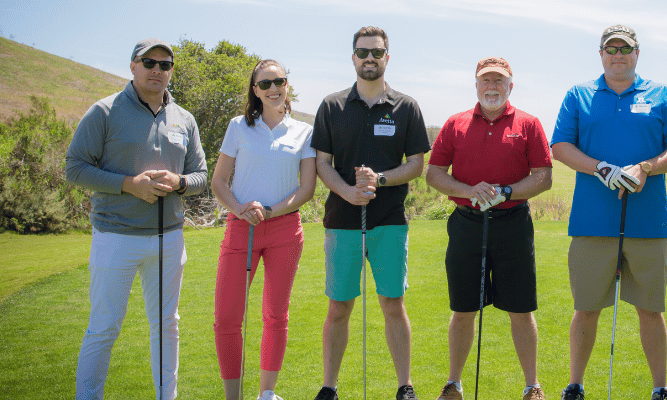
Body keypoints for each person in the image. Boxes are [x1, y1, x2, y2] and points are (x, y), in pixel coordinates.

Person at [550, 25, 667, 400]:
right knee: (586, 308)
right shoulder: (578, 95)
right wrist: (601, 168)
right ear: (600, 54)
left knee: (650, 309)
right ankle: (575, 384)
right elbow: (561, 146)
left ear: (637, 53)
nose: (618, 54)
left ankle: (660, 388)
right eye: (610, 48)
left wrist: (645, 167)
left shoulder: (662, 95)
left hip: (648, 223)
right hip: (591, 221)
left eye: (625, 48)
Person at [66, 38, 208, 400]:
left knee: (166, 326)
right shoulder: (105, 111)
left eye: (165, 64)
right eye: (149, 63)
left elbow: (201, 177)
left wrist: (179, 183)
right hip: (116, 237)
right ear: (133, 66)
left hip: (169, 239)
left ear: (171, 71)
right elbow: (76, 169)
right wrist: (129, 185)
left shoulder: (184, 119)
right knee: (104, 327)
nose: (157, 70)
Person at [310, 26, 431, 400]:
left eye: (377, 53)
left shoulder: (405, 107)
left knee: (393, 303)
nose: (369, 59)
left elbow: (415, 165)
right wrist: (347, 191)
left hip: (389, 222)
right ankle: (329, 387)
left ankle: (404, 386)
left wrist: (378, 179)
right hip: (343, 223)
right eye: (363, 52)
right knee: (339, 307)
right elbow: (322, 163)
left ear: (387, 58)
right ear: (352, 58)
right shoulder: (331, 106)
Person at [426, 57, 553, 400]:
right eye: (486, 80)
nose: (492, 86)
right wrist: (469, 191)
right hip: (467, 225)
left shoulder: (528, 123)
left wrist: (506, 192)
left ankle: (532, 386)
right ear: (476, 85)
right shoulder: (456, 124)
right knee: (464, 309)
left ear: (510, 85)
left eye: (499, 80)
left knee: (521, 310)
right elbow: (434, 173)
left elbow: (543, 176)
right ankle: (453, 384)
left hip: (512, 224)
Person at [211, 59, 317, 400]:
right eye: (266, 83)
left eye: (279, 81)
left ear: (287, 86)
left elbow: (306, 190)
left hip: (285, 230)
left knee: (275, 315)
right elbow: (218, 182)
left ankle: (266, 394)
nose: (274, 88)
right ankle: (234, 396)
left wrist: (270, 211)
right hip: (242, 228)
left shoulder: (303, 131)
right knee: (227, 317)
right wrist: (240, 209)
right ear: (255, 90)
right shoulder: (238, 127)